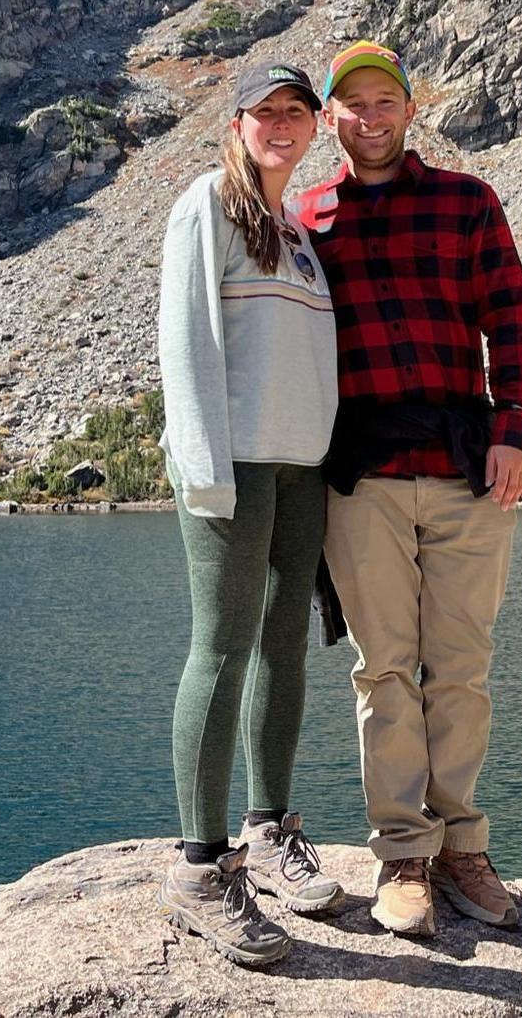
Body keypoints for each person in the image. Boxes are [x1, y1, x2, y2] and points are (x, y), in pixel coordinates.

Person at [297, 40, 522, 939]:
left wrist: (516, 431)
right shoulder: (306, 219)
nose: (370, 116)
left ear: (410, 110)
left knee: (462, 667)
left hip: (463, 468)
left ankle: (461, 845)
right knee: (384, 667)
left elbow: (510, 321)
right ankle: (402, 850)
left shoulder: (465, 202)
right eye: (351, 103)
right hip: (359, 478)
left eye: (384, 100)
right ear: (330, 119)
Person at [154, 61, 343, 968]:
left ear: (313, 128)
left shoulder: (293, 231)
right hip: (232, 470)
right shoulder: (209, 205)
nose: (279, 124)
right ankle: (198, 867)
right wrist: (206, 473)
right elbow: (186, 343)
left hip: (301, 470)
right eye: (263, 112)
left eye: (294, 112)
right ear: (235, 124)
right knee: (221, 645)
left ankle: (267, 830)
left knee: (283, 645)